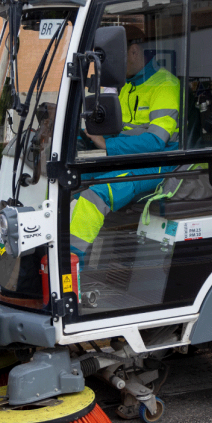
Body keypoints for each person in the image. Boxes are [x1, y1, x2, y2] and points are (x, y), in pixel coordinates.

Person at [69, 26, 181, 256]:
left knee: (95, 195)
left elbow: (155, 142)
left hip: (154, 164)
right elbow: (116, 130)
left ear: (133, 51)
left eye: (114, 58)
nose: (113, 66)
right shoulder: (127, 85)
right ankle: (52, 255)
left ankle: (71, 266)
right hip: (125, 159)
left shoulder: (165, 84)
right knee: (70, 183)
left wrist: (106, 145)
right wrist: (86, 136)